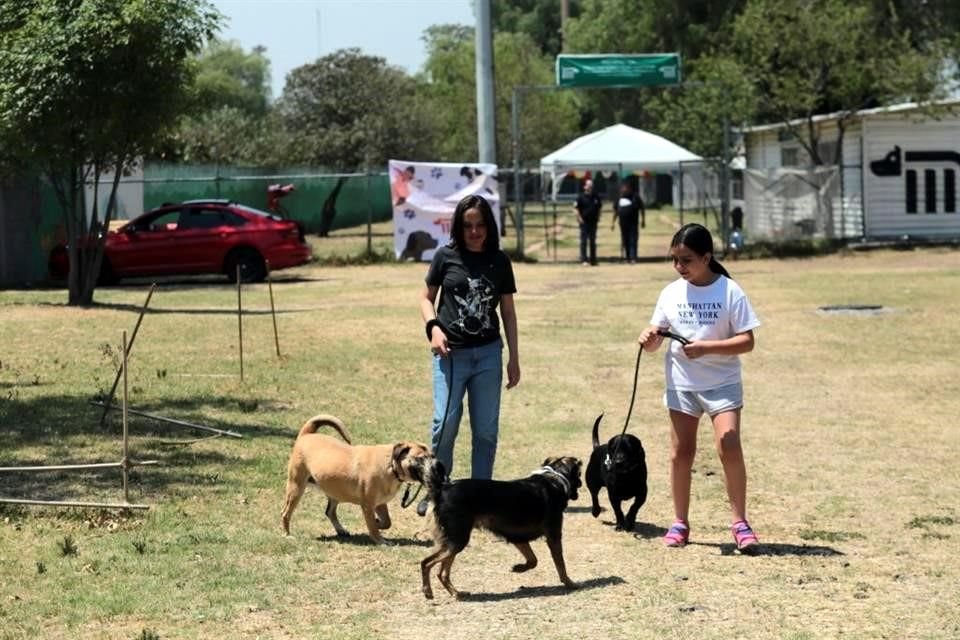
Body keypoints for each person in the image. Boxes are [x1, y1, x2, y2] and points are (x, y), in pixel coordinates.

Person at [637, 223, 761, 552]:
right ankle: (680, 522)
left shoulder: (730, 291)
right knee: (681, 453)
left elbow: (747, 341)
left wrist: (707, 348)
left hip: (722, 383)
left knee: (728, 443)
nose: (680, 267)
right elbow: (655, 338)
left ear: (706, 258)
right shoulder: (670, 293)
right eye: (675, 260)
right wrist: (649, 338)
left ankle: (740, 522)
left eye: (687, 260)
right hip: (683, 385)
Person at [417, 194, 521, 514]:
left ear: (489, 226)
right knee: (444, 424)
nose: (474, 232)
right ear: (458, 228)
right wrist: (433, 327)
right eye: (467, 226)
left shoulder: (499, 261)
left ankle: (480, 496)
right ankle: (437, 489)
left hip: (488, 355)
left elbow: (508, 312)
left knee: (485, 430)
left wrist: (513, 358)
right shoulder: (445, 257)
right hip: (451, 355)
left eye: (480, 225)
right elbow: (425, 298)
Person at [611, 181, 645, 263]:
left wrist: (643, 220)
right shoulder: (619, 198)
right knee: (625, 240)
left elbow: (642, 209)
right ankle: (627, 257)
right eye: (623, 188)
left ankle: (633, 257)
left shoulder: (635, 197)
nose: (624, 189)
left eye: (626, 188)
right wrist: (613, 223)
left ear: (630, 189)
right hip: (623, 224)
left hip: (633, 223)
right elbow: (615, 212)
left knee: (633, 240)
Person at [574, 179, 603, 265]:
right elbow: (576, 208)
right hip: (584, 222)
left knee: (593, 241)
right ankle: (584, 259)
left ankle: (593, 260)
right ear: (585, 186)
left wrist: (598, 217)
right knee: (584, 241)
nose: (590, 187)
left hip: (593, 222)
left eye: (591, 186)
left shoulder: (596, 197)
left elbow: (600, 207)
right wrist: (579, 218)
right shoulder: (580, 197)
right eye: (588, 185)